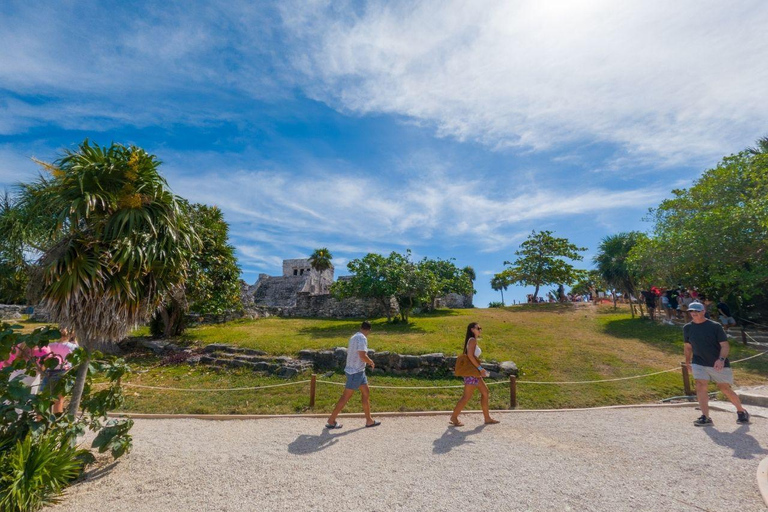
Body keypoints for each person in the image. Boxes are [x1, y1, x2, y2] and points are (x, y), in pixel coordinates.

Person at [684, 302, 749, 426]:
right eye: (692, 311)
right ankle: (705, 417)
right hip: (699, 361)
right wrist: (688, 362)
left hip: (717, 362)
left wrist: (721, 359)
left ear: (703, 311)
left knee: (724, 388)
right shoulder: (687, 328)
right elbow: (687, 346)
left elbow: (724, 345)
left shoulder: (715, 326)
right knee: (700, 385)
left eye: (697, 311)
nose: (694, 313)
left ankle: (741, 411)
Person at [325, 321, 380, 429]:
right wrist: (370, 362)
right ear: (369, 330)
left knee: (366, 392)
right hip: (355, 372)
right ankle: (331, 420)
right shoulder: (363, 338)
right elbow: (362, 355)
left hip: (358, 371)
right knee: (345, 397)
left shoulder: (354, 336)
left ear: (361, 327)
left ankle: (369, 420)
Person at [449, 322, 500, 427]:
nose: (480, 330)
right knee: (467, 396)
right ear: (472, 329)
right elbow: (470, 356)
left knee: (485, 392)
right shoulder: (472, 340)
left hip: (474, 373)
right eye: (478, 328)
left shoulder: (472, 340)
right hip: (472, 373)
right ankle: (454, 417)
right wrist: (481, 369)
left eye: (480, 328)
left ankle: (487, 418)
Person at [45, 328, 79, 414]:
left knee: (45, 397)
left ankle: (42, 419)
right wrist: (75, 340)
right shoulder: (72, 346)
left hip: (50, 371)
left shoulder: (50, 345)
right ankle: (57, 418)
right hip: (64, 372)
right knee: (59, 399)